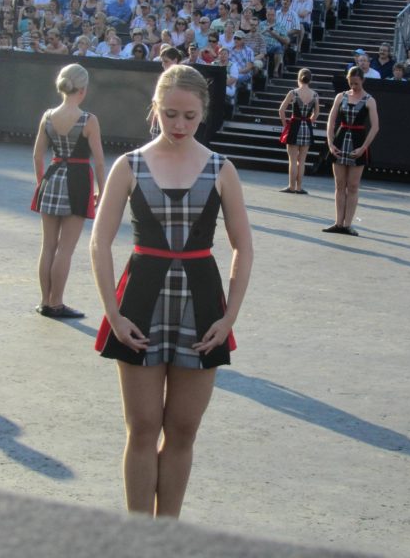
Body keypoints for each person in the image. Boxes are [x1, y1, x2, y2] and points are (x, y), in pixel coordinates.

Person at [91, 64, 253, 518]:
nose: (179, 125)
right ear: (155, 110)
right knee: (142, 428)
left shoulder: (221, 168)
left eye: (189, 116)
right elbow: (99, 242)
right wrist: (113, 314)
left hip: (202, 306)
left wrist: (229, 318)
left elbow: (244, 247)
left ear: (204, 113)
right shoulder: (130, 165)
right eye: (169, 114)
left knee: (183, 431)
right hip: (139, 302)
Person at [31, 64, 106, 319]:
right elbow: (98, 161)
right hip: (77, 181)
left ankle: (44, 300)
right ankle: (57, 302)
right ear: (83, 90)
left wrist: (42, 182)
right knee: (66, 248)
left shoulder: (48, 116)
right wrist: (103, 190)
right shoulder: (89, 120)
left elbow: (37, 156)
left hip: (52, 176)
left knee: (48, 246)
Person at [324, 66, 380, 236]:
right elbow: (331, 121)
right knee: (339, 184)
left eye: (356, 83)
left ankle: (348, 224)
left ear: (362, 80)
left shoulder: (369, 100)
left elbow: (375, 127)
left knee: (353, 185)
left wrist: (363, 148)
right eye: (351, 83)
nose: (354, 86)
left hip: (357, 140)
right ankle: (338, 222)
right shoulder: (341, 97)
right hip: (341, 140)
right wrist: (330, 143)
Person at [278, 68, 320, 194]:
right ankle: (299, 187)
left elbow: (281, 110)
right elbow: (316, 113)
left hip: (294, 125)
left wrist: (286, 124)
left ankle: (291, 186)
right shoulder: (315, 94)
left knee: (292, 159)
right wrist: (309, 121)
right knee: (302, 160)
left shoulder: (293, 93)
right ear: (310, 79)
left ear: (299, 78)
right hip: (306, 125)